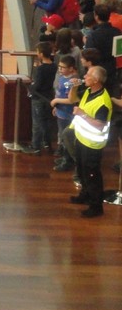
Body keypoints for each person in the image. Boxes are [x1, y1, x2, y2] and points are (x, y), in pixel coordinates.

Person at [70, 65, 112, 218]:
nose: (84, 77)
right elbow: (72, 99)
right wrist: (74, 87)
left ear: (96, 81)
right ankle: (85, 195)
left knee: (92, 174)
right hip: (82, 138)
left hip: (93, 144)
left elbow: (100, 124)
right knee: (81, 170)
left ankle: (96, 206)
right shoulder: (89, 91)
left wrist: (82, 114)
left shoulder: (103, 101)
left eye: (88, 75)